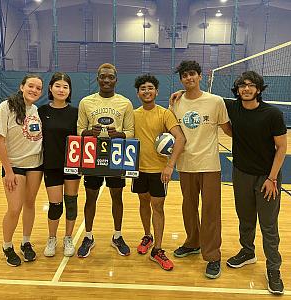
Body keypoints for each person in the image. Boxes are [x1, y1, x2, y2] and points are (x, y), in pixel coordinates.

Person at [225, 71, 287, 295]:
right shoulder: (233, 108)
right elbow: (205, 99)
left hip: (266, 178)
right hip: (241, 174)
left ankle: (274, 270)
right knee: (245, 218)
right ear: (238, 89)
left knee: (268, 226)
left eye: (251, 85)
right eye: (242, 85)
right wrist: (183, 92)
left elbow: (281, 147)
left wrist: (272, 178)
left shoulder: (272, 114)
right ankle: (247, 252)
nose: (246, 88)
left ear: (259, 89)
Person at [169, 60, 231, 279]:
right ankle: (193, 242)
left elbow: (229, 130)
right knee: (189, 207)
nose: (189, 78)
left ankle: (213, 255)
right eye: (185, 76)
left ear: (200, 76)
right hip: (185, 164)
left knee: (211, 211)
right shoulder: (175, 102)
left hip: (209, 164)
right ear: (181, 79)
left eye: (192, 74)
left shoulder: (215, 101)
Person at [77, 63, 134, 257]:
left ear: (116, 79)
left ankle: (117, 236)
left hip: (116, 156)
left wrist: (118, 134)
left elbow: (130, 132)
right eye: (103, 77)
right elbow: (79, 130)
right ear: (98, 78)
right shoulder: (86, 102)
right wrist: (88, 132)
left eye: (110, 77)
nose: (107, 80)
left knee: (117, 197)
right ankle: (88, 236)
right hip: (92, 156)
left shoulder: (125, 103)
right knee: (90, 197)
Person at [132, 74, 185, 270]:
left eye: (150, 88)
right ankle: (147, 235)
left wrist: (170, 165)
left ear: (156, 91)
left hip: (159, 171)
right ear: (138, 93)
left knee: (158, 207)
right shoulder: (134, 114)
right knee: (143, 202)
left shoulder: (165, 113)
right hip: (138, 169)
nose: (147, 91)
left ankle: (158, 249)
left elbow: (179, 138)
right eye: (143, 88)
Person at [0, 74, 43, 267]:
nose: (34, 90)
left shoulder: (36, 110)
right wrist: (8, 170)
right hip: (14, 167)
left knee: (30, 204)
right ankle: (7, 246)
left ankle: (26, 242)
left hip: (35, 165)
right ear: (22, 86)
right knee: (15, 208)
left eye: (38, 88)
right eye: (31, 86)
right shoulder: (6, 107)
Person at [38, 72, 80, 257]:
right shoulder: (41, 112)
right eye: (58, 85)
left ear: (69, 90)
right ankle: (52, 238)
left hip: (72, 164)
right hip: (51, 165)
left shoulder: (76, 112)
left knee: (71, 203)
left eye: (65, 86)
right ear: (50, 88)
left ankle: (68, 238)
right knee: (55, 205)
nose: (61, 89)